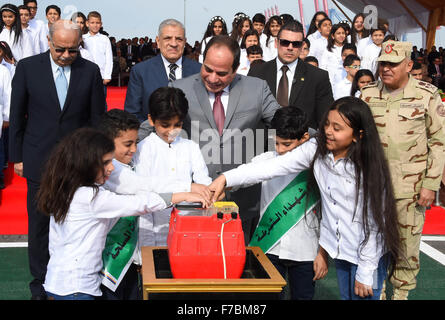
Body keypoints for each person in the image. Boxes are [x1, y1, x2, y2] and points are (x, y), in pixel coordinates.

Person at [209, 96, 401, 300]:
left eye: (337, 128)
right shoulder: (316, 150)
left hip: (366, 254)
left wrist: (365, 271)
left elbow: (374, 224)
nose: (328, 131)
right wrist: (225, 178)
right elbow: (271, 167)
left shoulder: (369, 168)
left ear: (357, 135)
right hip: (341, 251)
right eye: (327, 124)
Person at [8, 20, 106, 300]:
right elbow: (17, 116)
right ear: (49, 41)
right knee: (39, 225)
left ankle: (75, 279)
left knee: (76, 222)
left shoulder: (90, 71)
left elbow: (97, 119)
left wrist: (96, 159)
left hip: (77, 163)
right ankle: (40, 284)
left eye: (72, 50)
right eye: (60, 49)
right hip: (38, 158)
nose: (65, 55)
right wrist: (17, 157)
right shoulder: (28, 68)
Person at [36, 128, 170, 300]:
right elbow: (139, 203)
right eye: (106, 162)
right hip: (78, 289)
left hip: (57, 282)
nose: (112, 168)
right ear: (87, 164)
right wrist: (182, 194)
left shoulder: (65, 190)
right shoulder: (92, 197)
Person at [170, 35, 280, 243]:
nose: (212, 78)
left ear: (236, 68)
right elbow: (156, 128)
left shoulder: (257, 89)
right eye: (207, 69)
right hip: (193, 199)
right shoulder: (179, 88)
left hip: (243, 201)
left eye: (221, 73)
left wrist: (317, 136)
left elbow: (282, 123)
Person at [361, 41, 445, 300]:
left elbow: (439, 142)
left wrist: (431, 185)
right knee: (372, 242)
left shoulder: (427, 94)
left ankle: (401, 295)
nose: (386, 69)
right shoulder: (367, 94)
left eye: (393, 64)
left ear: (409, 65)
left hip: (410, 188)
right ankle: (379, 291)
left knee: (406, 246)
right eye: (383, 64)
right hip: (372, 186)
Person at [96, 109, 207, 300]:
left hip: (126, 257)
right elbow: (144, 186)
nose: (134, 150)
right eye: (127, 144)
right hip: (107, 260)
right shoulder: (109, 171)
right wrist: (187, 189)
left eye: (135, 143)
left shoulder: (124, 166)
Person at [237, 106, 328, 300]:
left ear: (304, 138)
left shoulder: (319, 164)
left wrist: (323, 254)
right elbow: (242, 175)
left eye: (286, 144)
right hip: (269, 247)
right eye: (276, 143)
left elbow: (328, 215)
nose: (280, 150)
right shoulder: (266, 160)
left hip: (306, 250)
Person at [134, 87, 212, 248]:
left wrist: (208, 191)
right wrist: (146, 250)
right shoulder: (143, 149)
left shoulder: (190, 147)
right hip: (156, 236)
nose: (171, 131)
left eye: (177, 125)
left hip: (190, 233)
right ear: (151, 120)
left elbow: (204, 183)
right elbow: (144, 197)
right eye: (165, 125)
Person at [248, 20, 333, 130]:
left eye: (296, 44)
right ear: (276, 43)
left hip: (302, 142)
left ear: (302, 46)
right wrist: (259, 146)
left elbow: (324, 120)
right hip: (265, 142)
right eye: (285, 42)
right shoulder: (257, 73)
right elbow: (249, 115)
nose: (290, 47)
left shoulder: (318, 77)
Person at [124, 19, 201, 123]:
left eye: (179, 39)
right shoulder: (141, 71)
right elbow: (132, 114)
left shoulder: (199, 71)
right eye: (167, 38)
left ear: (185, 42)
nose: (173, 44)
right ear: (158, 41)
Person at [82, 11, 113, 107]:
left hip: (101, 76)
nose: (95, 25)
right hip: (85, 75)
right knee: (85, 101)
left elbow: (109, 58)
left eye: (97, 23)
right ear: (87, 23)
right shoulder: (82, 38)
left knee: (101, 102)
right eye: (92, 23)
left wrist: (107, 76)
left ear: (101, 24)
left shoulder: (105, 39)